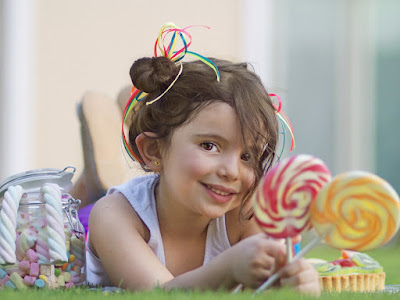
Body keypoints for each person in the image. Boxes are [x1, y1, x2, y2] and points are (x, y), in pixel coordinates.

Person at [86, 23, 320, 296]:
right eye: (209, 145)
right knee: (91, 197)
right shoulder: (114, 216)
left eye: (247, 155)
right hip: (85, 219)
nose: (232, 171)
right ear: (153, 151)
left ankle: (134, 112)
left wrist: (296, 281)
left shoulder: (244, 214)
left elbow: (268, 285)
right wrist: (229, 267)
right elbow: (159, 293)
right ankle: (90, 178)